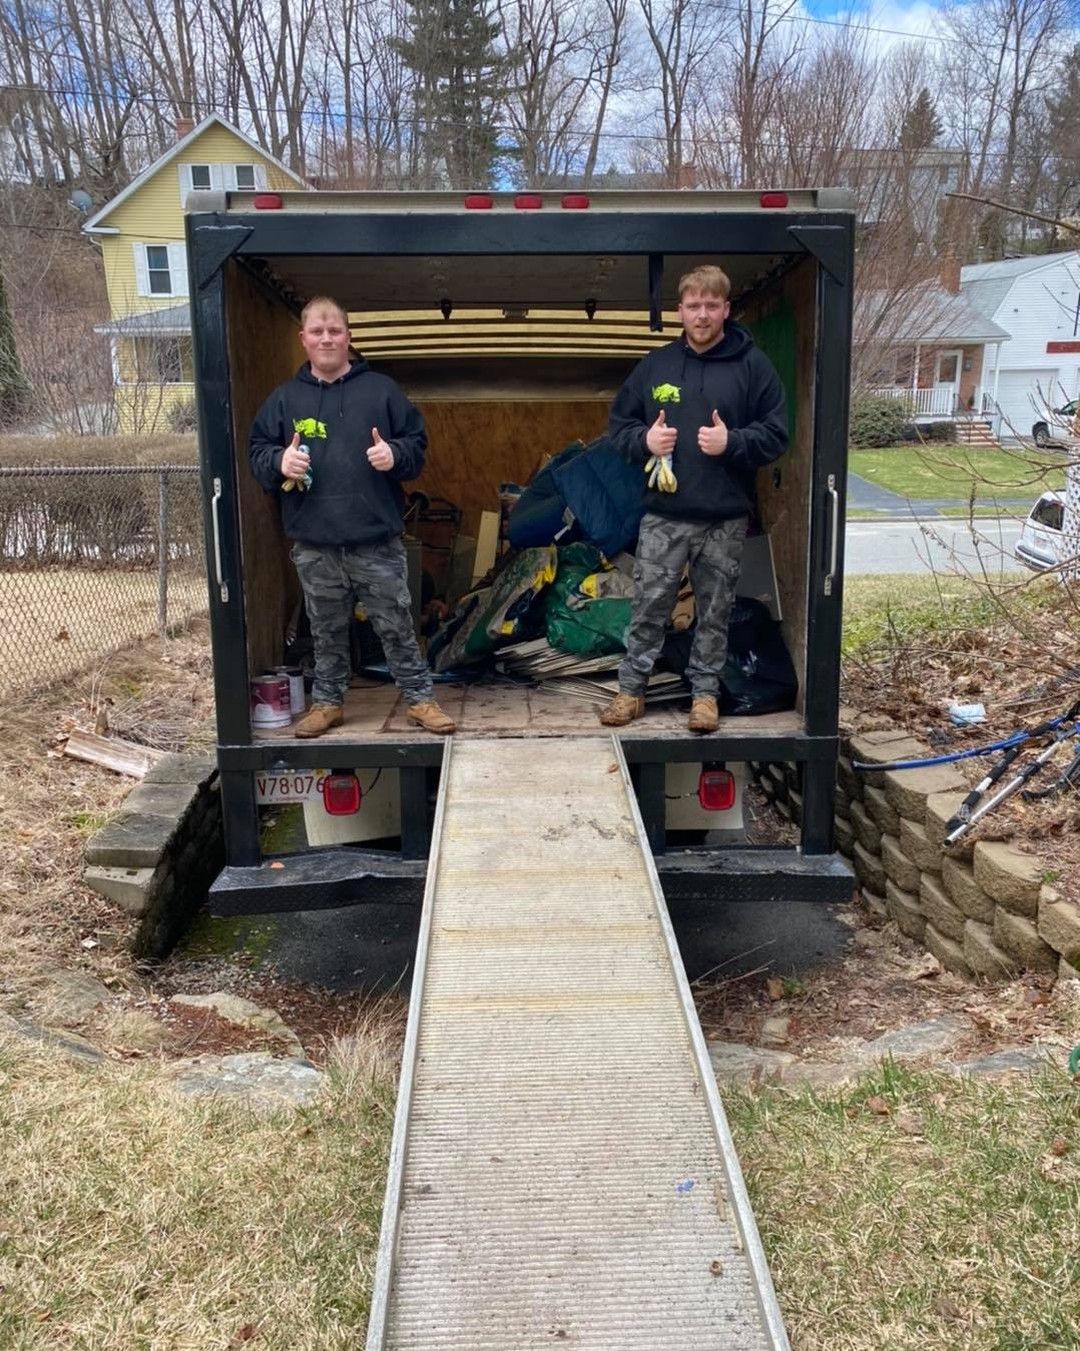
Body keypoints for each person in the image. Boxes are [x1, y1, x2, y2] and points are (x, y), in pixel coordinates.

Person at [249, 296, 455, 737]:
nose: (327, 338)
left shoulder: (381, 391)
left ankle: (420, 701)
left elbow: (416, 446)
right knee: (326, 632)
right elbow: (258, 451)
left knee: (397, 625)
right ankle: (328, 704)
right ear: (303, 339)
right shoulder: (285, 400)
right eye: (318, 332)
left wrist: (393, 454)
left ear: (349, 337)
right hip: (316, 543)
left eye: (335, 331)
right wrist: (279, 463)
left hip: (375, 541)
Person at [601, 265, 788, 734]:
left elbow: (776, 433)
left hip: (723, 518)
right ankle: (631, 692)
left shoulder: (753, 366)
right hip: (664, 516)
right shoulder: (656, 365)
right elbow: (618, 429)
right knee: (649, 606)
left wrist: (734, 443)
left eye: (711, 305)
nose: (701, 315)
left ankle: (705, 697)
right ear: (679, 311)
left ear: (726, 309)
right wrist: (646, 440)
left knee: (715, 611)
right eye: (692, 306)